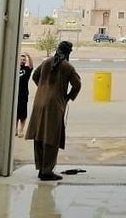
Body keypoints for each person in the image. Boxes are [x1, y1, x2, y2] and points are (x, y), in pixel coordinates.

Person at [25, 40, 81, 181]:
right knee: (51, 138)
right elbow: (77, 84)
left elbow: (35, 76)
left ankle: (41, 169)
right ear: (68, 52)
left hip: (39, 103)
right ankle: (47, 172)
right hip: (54, 105)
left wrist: (43, 88)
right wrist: (67, 97)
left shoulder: (46, 62)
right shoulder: (68, 66)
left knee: (39, 136)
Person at [17, 52, 34, 137]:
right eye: (21, 59)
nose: (22, 61)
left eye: (24, 60)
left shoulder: (27, 69)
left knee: (23, 115)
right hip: (16, 94)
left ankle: (21, 130)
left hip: (24, 94)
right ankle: (15, 130)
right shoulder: (15, 69)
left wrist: (29, 56)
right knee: (15, 113)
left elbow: (31, 66)